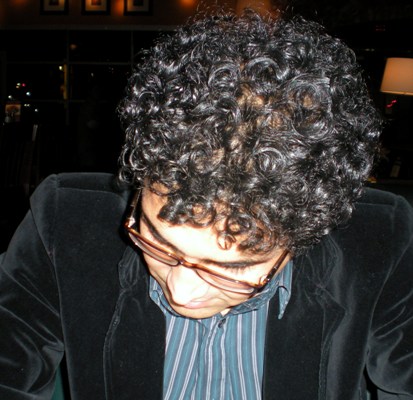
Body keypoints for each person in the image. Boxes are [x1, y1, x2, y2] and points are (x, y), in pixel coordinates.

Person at [1, 9, 412, 400]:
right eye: (158, 242)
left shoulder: (381, 242)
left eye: (231, 269)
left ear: (304, 233)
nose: (181, 292)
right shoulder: (63, 223)